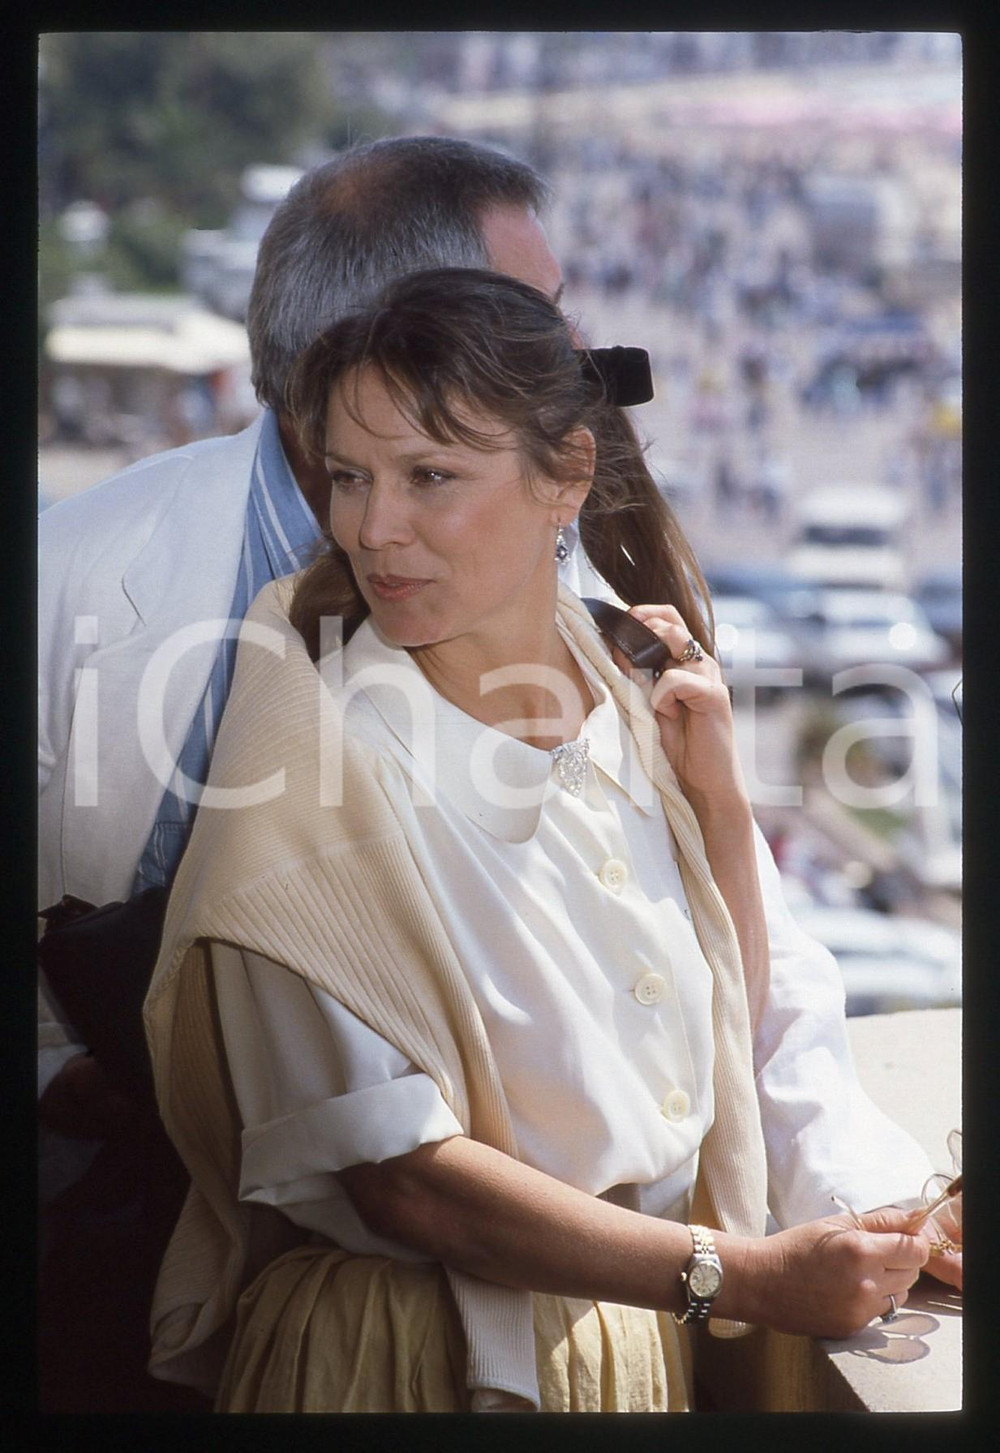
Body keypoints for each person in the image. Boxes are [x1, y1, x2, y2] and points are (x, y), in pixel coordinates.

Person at [144, 269, 960, 1414]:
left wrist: (720, 813)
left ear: (566, 474)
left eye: (429, 476)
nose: (374, 527)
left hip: (623, 1357)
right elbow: (406, 1185)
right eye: (348, 476)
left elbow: (717, 1048)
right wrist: (748, 1276)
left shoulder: (627, 697)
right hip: (398, 1366)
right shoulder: (308, 769)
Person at [37, 133, 602, 1414]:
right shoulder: (63, 584)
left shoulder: (572, 565)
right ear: (395, 339)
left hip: (523, 1309)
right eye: (538, 318)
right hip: (110, 1295)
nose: (573, 360)